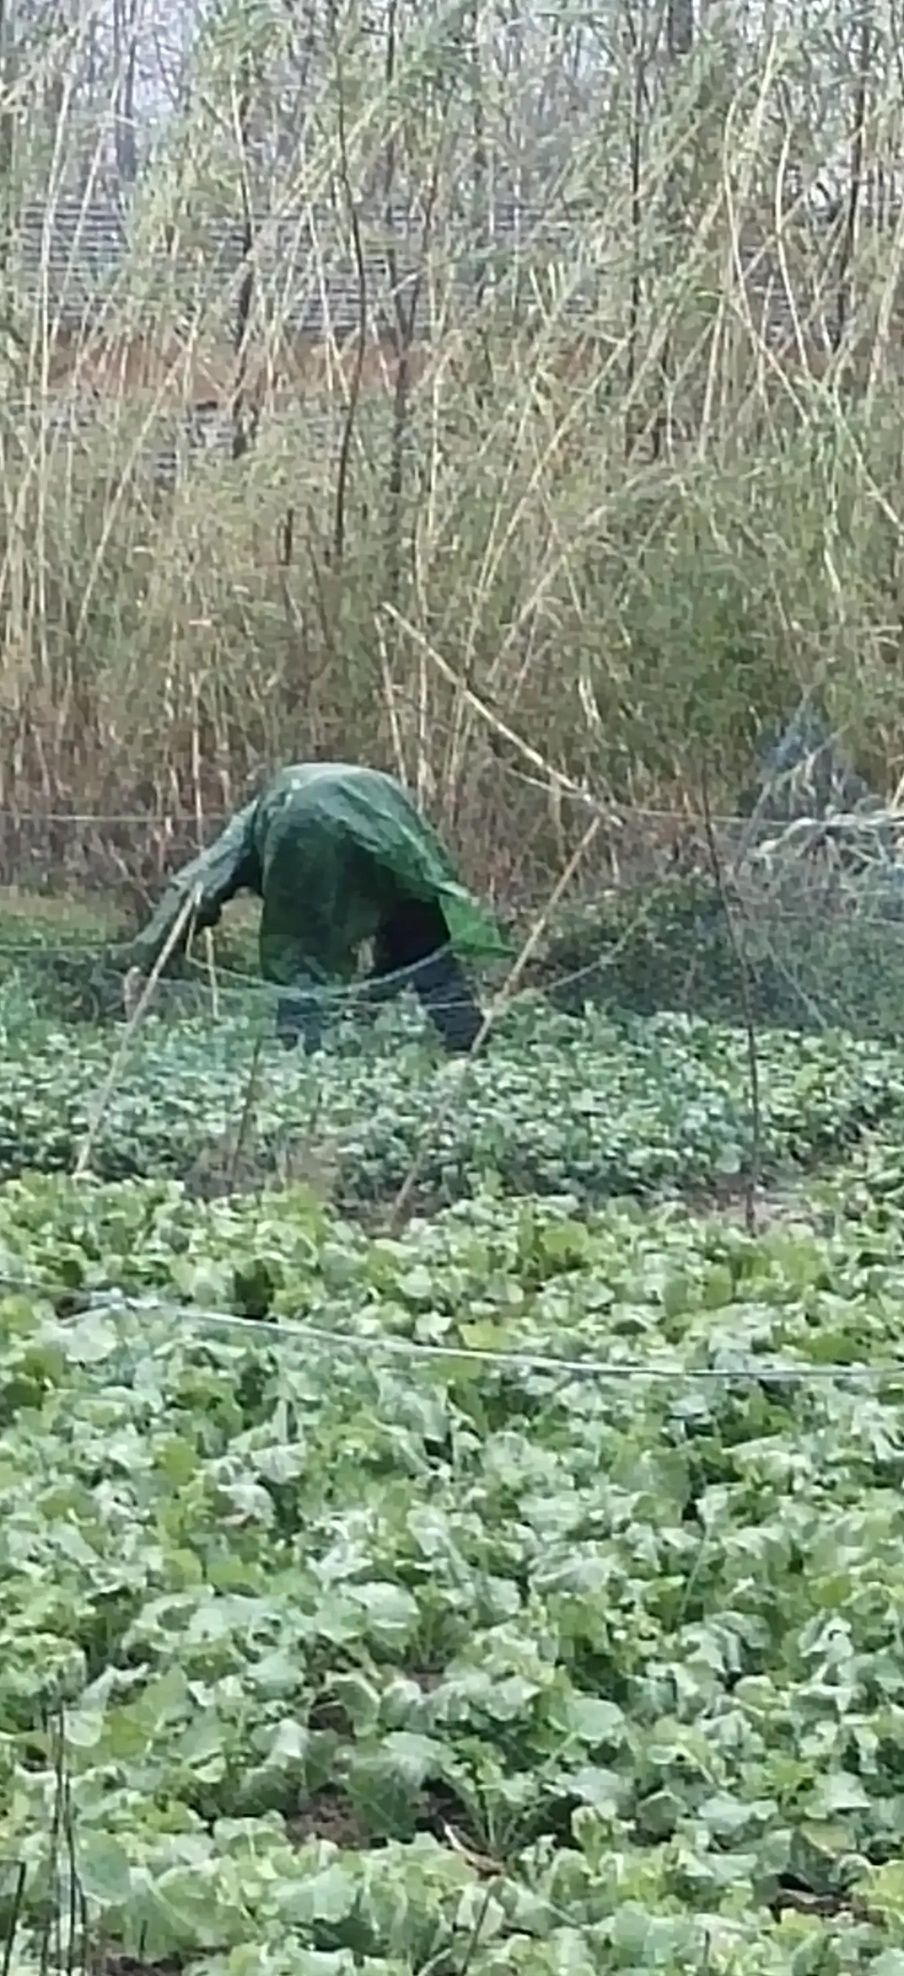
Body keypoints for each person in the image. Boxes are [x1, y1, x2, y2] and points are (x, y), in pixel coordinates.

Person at [120, 761, 507, 1053]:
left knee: (298, 957)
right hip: (386, 810)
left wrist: (151, 955)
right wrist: (365, 1003)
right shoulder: (287, 804)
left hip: (308, 824)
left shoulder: (253, 824)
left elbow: (198, 885)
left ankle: (302, 1055)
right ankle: (465, 1040)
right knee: (422, 938)